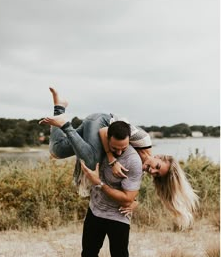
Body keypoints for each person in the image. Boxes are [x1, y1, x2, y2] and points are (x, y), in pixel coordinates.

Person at [39, 88, 199, 227]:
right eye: (157, 166)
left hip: (93, 127)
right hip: (101, 122)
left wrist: (133, 204)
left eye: (156, 174)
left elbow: (132, 191)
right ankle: (66, 124)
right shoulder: (143, 139)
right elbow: (104, 132)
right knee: (91, 163)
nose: (152, 170)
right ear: (159, 157)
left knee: (57, 150)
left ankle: (59, 107)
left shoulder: (139, 168)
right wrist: (112, 159)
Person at [79, 120, 142, 257]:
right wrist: (109, 156)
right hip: (95, 210)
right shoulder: (105, 142)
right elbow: (102, 129)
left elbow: (127, 199)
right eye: (115, 147)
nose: (120, 150)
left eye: (123, 147)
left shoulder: (133, 160)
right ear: (109, 141)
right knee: (88, 254)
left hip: (118, 217)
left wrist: (99, 183)